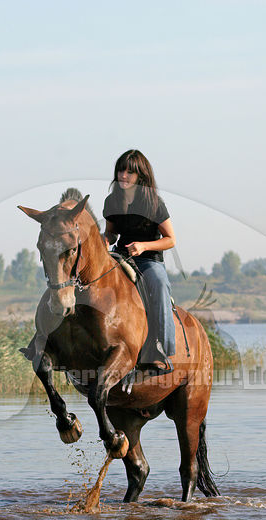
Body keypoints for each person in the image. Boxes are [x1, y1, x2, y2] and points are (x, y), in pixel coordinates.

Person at [103, 149, 176, 371]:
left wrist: (143, 246)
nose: (123, 176)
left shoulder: (154, 203)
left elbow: (170, 239)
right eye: (120, 171)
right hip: (120, 257)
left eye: (129, 172)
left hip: (149, 261)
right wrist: (104, 242)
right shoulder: (112, 200)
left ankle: (160, 349)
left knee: (160, 283)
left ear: (141, 175)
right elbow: (111, 234)